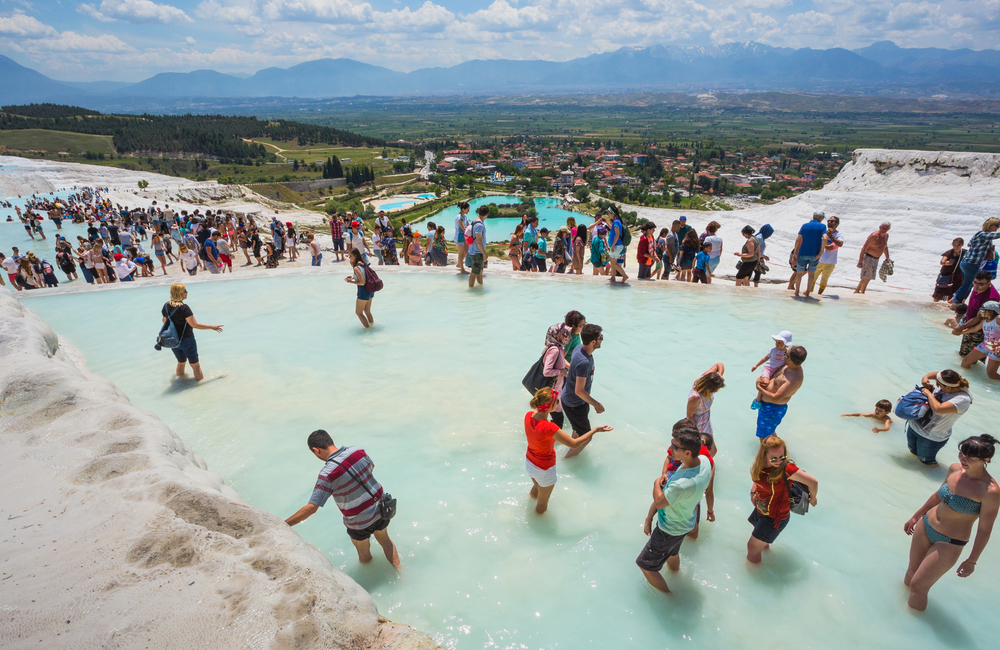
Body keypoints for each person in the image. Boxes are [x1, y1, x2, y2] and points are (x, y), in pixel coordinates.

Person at [904, 434, 998, 611]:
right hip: (925, 526)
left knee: (919, 587)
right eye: (961, 453)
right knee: (910, 575)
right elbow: (937, 496)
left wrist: (972, 561)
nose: (963, 459)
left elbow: (984, 529)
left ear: (986, 459)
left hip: (949, 542)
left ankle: (912, 627)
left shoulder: (990, 491)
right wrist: (916, 516)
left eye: (970, 457)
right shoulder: (954, 469)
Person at [285, 429, 400, 569]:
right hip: (380, 508)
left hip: (358, 522)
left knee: (364, 556)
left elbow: (312, 508)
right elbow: (372, 467)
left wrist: (285, 524)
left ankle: (369, 577)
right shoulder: (358, 451)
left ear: (316, 450)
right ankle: (400, 571)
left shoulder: (327, 474)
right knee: (385, 540)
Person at [636, 422, 714, 593]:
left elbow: (659, 502)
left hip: (668, 529)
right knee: (672, 553)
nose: (670, 449)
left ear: (687, 452)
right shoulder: (705, 462)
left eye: (674, 447)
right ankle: (676, 574)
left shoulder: (681, 485)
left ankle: (669, 598)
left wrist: (657, 483)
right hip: (685, 522)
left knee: (645, 565)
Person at [524, 387, 612, 515]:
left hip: (530, 463)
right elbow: (574, 444)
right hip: (544, 468)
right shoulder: (550, 428)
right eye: (557, 402)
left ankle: (529, 502)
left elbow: (536, 411)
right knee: (542, 504)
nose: (559, 403)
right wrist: (594, 431)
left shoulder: (528, 416)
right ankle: (535, 524)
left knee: (536, 488)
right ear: (550, 407)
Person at [747, 435, 819, 563]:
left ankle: (753, 576)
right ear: (763, 455)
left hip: (775, 517)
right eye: (774, 458)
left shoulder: (786, 469)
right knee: (761, 545)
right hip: (761, 509)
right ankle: (766, 561)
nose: (779, 461)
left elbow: (813, 482)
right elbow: (759, 477)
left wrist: (813, 498)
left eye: (782, 457)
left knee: (752, 548)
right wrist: (754, 491)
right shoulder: (760, 464)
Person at [906, 370, 973, 465]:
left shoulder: (962, 399)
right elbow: (937, 374)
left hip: (931, 437)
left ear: (949, 387)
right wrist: (926, 378)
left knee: (927, 463)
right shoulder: (949, 382)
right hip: (914, 427)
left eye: (939, 385)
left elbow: (939, 409)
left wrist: (929, 394)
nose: (938, 387)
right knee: (913, 453)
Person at [160, 283, 223, 382]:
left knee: (181, 362)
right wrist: (212, 327)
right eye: (185, 291)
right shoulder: (184, 308)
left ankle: (180, 383)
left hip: (173, 340)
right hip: (187, 340)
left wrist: (175, 326)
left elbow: (164, 320)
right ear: (179, 293)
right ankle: (200, 388)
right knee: (195, 365)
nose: (187, 292)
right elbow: (194, 324)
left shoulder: (166, 306)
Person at [561, 324, 606, 458]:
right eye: (600, 337)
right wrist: (596, 404)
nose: (602, 339)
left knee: (577, 431)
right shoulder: (584, 362)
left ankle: (568, 451)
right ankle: (567, 460)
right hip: (575, 404)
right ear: (593, 342)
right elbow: (579, 391)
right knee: (586, 437)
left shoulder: (579, 348)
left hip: (570, 400)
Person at [752, 345, 806, 438]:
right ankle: (778, 449)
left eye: (785, 353)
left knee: (764, 437)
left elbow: (776, 397)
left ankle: (768, 452)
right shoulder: (788, 365)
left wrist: (759, 387)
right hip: (768, 406)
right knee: (768, 432)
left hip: (773, 408)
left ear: (790, 360)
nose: (783, 354)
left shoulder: (793, 379)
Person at [952, 271, 1000, 358]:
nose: (976, 286)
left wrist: (961, 328)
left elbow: (979, 318)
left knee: (971, 359)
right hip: (969, 325)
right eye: (975, 282)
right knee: (962, 355)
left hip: (978, 332)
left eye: (980, 284)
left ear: (989, 283)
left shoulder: (991, 298)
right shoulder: (978, 288)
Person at [953, 218, 1000, 304]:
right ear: (990, 225)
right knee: (968, 284)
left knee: (972, 284)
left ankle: (960, 301)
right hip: (971, 264)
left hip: (968, 263)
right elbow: (997, 235)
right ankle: (955, 301)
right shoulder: (984, 235)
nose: (998, 227)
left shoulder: (980, 233)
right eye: (997, 225)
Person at [790, 211, 828, 299]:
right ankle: (807, 291)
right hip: (814, 254)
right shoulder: (822, 226)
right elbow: (825, 238)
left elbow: (798, 239)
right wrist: (820, 253)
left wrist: (795, 253)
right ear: (820, 218)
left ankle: (797, 291)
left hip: (803, 252)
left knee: (799, 273)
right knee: (811, 274)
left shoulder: (805, 225)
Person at [960, 301, 1000, 380]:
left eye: (983, 310)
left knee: (991, 374)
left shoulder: (998, 319)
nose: (980, 311)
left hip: (997, 347)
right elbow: (976, 328)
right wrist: (961, 332)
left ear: (991, 312)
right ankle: (969, 380)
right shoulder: (985, 319)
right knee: (965, 362)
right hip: (985, 345)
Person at [687, 363, 725, 436]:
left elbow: (719, 365)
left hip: (706, 420)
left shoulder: (706, 379)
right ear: (707, 388)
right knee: (708, 447)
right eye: (714, 390)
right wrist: (696, 434)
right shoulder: (695, 397)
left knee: (711, 447)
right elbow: (689, 416)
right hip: (699, 426)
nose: (716, 391)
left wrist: (720, 376)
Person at [855, 222, 892, 294]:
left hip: (876, 259)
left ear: (888, 229)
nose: (884, 229)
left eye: (886, 228)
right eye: (883, 228)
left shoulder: (886, 236)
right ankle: (862, 292)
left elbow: (885, 247)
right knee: (867, 277)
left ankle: (857, 290)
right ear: (879, 227)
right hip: (868, 258)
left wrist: (887, 257)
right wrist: (860, 261)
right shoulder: (874, 236)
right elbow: (864, 248)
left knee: (867, 277)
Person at [810, 215, 842, 295]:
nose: (829, 222)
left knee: (824, 280)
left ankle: (819, 295)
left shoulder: (839, 234)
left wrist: (830, 236)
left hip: (830, 262)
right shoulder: (822, 232)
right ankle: (809, 293)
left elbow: (838, 245)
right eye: (828, 221)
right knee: (812, 277)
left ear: (836, 224)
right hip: (818, 260)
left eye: (832, 221)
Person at [345, 249, 375, 328]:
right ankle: (372, 326)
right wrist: (353, 277)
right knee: (367, 311)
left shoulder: (356, 267)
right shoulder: (363, 263)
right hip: (370, 289)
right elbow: (364, 276)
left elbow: (362, 282)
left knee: (358, 312)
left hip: (364, 291)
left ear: (355, 256)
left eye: (350, 256)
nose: (349, 258)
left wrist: (350, 282)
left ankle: (367, 329)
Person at [933, 238, 966, 302]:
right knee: (939, 291)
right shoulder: (949, 253)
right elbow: (942, 262)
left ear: (962, 245)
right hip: (946, 274)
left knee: (955, 292)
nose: (956, 246)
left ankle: (951, 307)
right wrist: (945, 263)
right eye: (955, 244)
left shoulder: (965, 253)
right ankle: (934, 306)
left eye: (958, 245)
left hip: (958, 275)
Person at [606, 206, 629, 283]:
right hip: (616, 245)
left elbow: (617, 234)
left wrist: (613, 246)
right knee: (612, 261)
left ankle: (624, 275)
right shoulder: (617, 221)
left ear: (612, 213)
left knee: (614, 262)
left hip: (616, 245)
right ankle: (613, 277)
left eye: (609, 213)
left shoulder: (616, 222)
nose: (608, 214)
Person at [467, 205, 487, 289]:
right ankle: (470, 289)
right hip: (477, 252)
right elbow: (478, 241)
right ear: (486, 214)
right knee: (474, 272)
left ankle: (480, 287)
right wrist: (484, 253)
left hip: (473, 250)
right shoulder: (480, 225)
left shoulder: (474, 221)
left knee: (479, 272)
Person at [454, 201, 470, 273]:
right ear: (463, 209)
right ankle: (462, 269)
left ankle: (458, 264)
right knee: (461, 253)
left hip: (464, 236)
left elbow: (468, 226)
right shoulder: (459, 218)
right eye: (467, 209)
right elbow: (464, 228)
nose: (468, 211)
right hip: (459, 237)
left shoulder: (465, 216)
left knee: (466, 251)